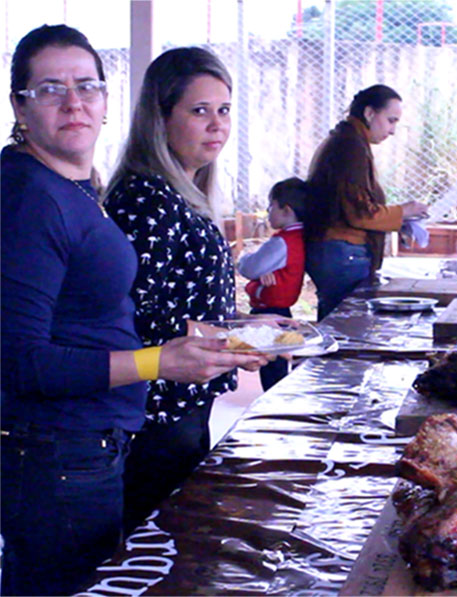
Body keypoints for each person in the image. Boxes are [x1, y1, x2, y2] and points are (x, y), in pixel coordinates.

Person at [0, 25, 264, 596]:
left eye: (87, 86)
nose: (73, 102)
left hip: (90, 445)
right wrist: (159, 362)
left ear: (106, 99)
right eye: (50, 88)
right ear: (18, 104)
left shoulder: (67, 185)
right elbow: (19, 362)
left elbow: (102, 315)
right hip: (58, 453)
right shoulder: (28, 198)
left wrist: (225, 339)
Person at [104, 47, 262, 536]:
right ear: (161, 118)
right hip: (152, 416)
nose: (217, 124)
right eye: (199, 111)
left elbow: (185, 304)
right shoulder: (145, 199)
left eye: (224, 110)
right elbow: (131, 316)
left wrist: (243, 332)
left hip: (186, 404)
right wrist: (231, 342)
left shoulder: (182, 191)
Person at [305, 84, 428, 321]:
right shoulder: (350, 147)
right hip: (341, 252)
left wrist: (400, 219)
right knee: (346, 329)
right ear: (370, 113)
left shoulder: (348, 141)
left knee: (341, 324)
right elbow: (360, 213)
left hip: (335, 251)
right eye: (391, 120)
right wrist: (404, 211)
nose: (392, 130)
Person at [238, 177, 309, 391]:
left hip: (270, 313)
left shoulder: (281, 243)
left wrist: (243, 256)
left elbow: (248, 268)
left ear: (286, 210)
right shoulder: (302, 237)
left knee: (271, 367)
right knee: (279, 361)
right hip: (283, 311)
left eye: (271, 207)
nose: (268, 213)